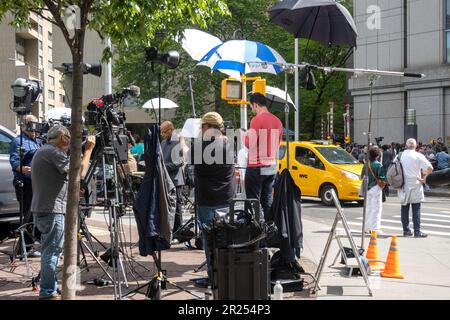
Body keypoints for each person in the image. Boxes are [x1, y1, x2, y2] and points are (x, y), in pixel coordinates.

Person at [31, 126, 96, 300]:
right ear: (62, 138)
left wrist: (72, 190)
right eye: (69, 138)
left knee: (49, 250)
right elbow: (79, 173)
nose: (71, 142)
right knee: (51, 252)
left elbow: (56, 180)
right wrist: (88, 150)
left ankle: (49, 288)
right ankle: (47, 292)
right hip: (52, 210)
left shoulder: (43, 151)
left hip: (45, 208)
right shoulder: (54, 152)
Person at [180, 112, 235, 286]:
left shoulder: (199, 146)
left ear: (206, 127)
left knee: (209, 239)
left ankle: (213, 276)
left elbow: (187, 156)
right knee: (225, 238)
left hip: (207, 199)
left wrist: (182, 141)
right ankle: (226, 276)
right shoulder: (229, 143)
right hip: (226, 198)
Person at [242, 93, 283, 218]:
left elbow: (250, 143)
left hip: (256, 167)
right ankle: (269, 229)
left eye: (252, 107)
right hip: (271, 166)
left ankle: (256, 231)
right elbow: (278, 145)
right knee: (267, 201)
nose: (252, 110)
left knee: (253, 202)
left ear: (255, 105)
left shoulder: (256, 120)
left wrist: (244, 136)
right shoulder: (278, 121)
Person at [9, 114, 43, 256]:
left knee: (40, 214)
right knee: (27, 216)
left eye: (36, 124)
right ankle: (25, 248)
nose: (34, 128)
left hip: (38, 183)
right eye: (31, 124)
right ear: (23, 125)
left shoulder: (39, 141)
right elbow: (14, 161)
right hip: (25, 183)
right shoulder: (18, 141)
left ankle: (35, 244)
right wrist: (22, 168)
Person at [398, 138, 433, 238]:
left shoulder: (400, 155)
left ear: (406, 145)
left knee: (404, 208)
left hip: (404, 184)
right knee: (416, 208)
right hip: (416, 183)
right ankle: (417, 231)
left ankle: (406, 230)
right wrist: (424, 179)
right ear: (416, 145)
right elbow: (430, 168)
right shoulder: (418, 155)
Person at [160, 121, 185, 237]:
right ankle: (167, 230)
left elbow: (179, 162)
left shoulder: (178, 142)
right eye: (161, 132)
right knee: (167, 207)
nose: (163, 134)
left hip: (175, 179)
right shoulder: (163, 142)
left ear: (171, 130)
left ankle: (178, 231)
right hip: (165, 179)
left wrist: (163, 167)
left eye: (164, 132)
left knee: (177, 207)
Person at [364, 146, 386, 234]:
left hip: (367, 187)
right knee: (376, 209)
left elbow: (362, 176)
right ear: (377, 156)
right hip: (376, 187)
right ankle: (374, 229)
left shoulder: (366, 164)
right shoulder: (378, 165)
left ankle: (366, 227)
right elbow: (382, 178)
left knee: (368, 208)